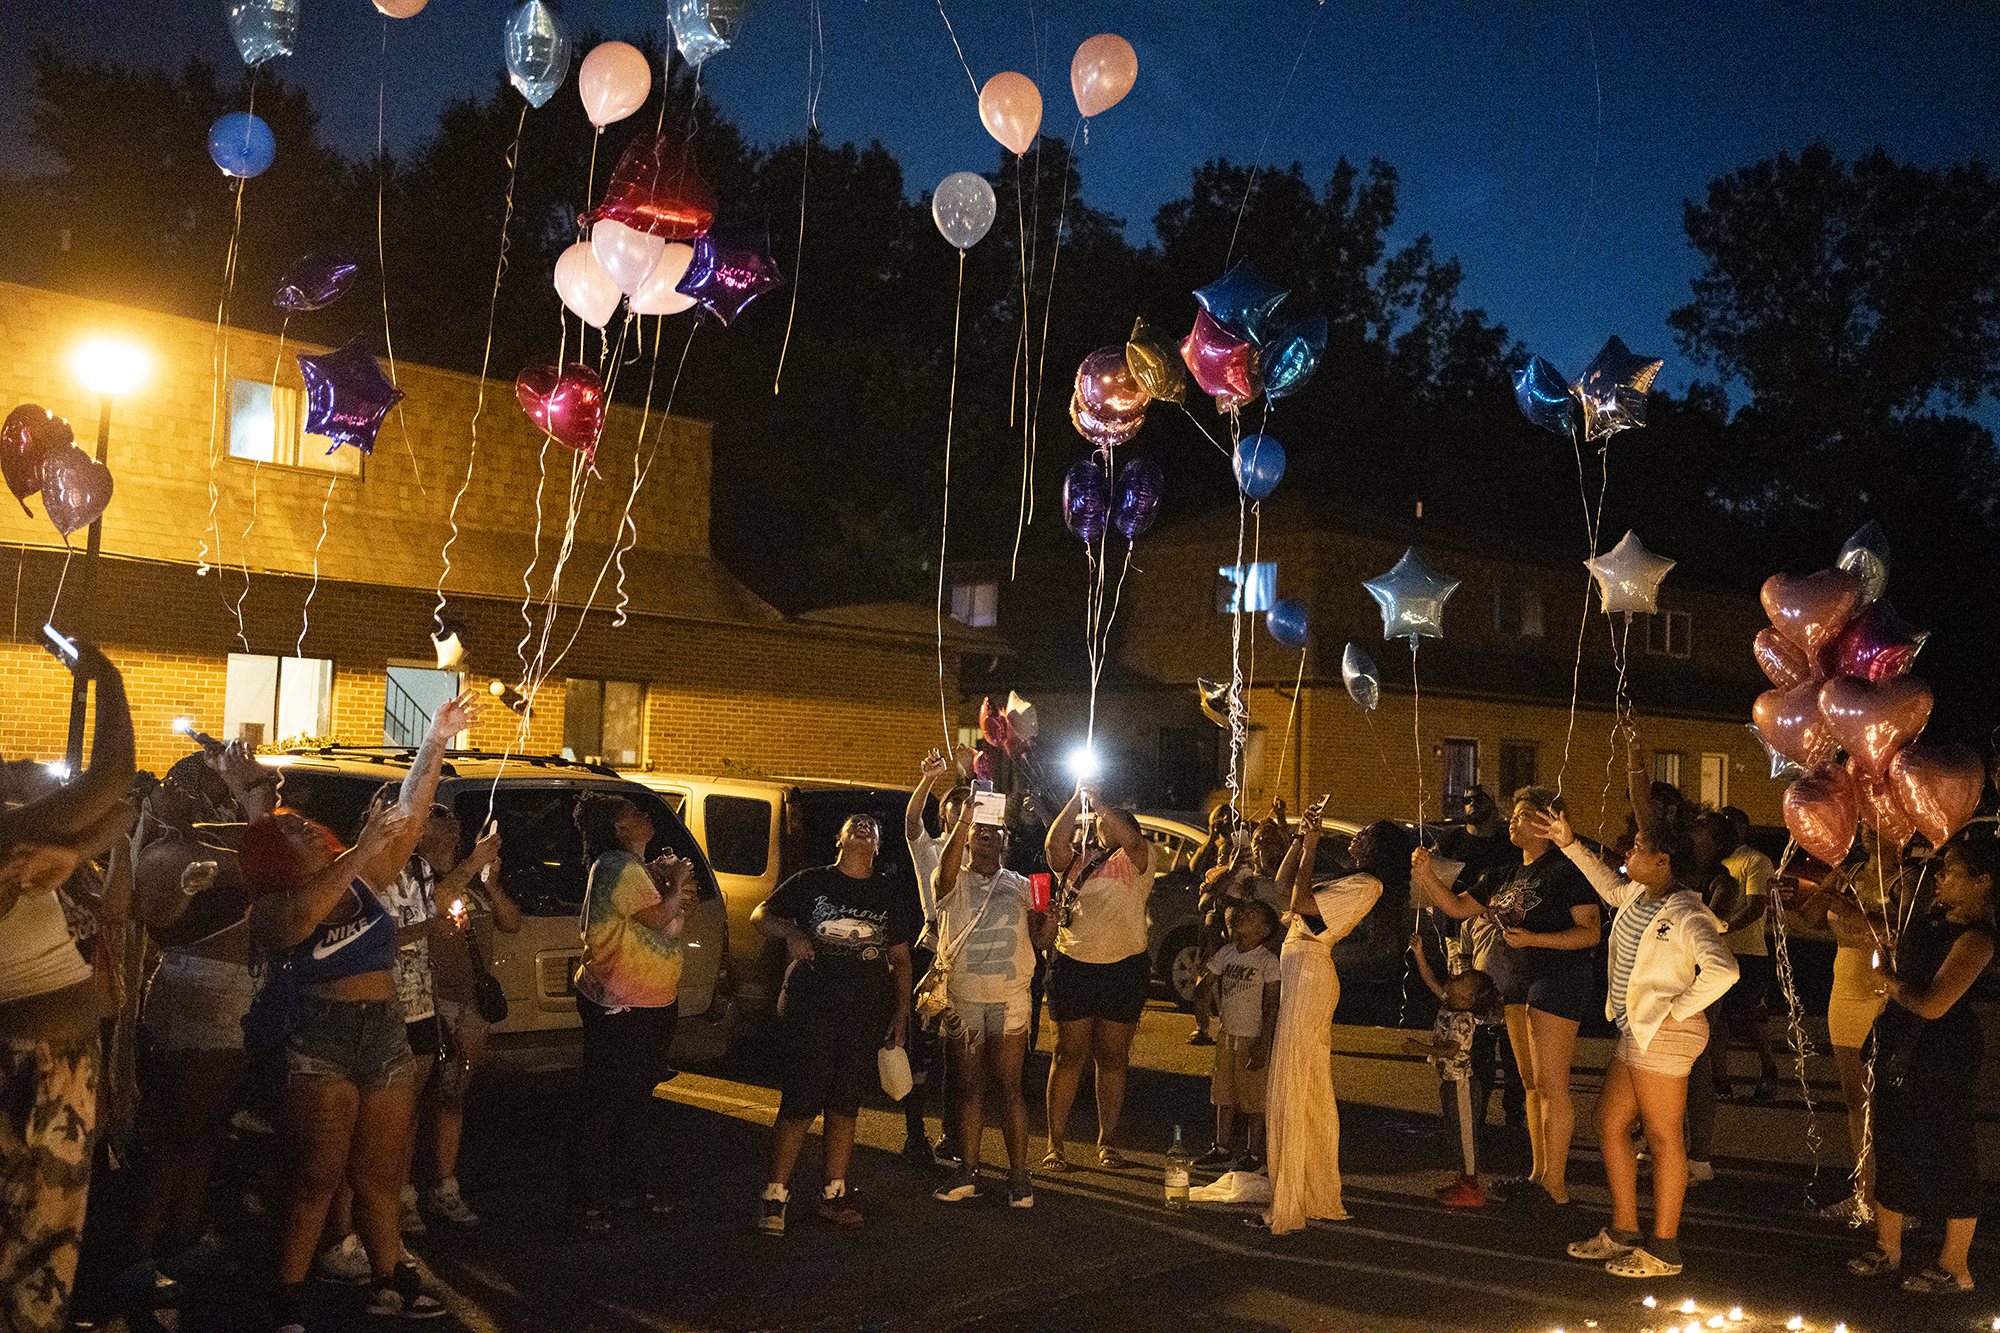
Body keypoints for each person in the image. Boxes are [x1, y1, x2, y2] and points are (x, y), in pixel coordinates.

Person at [240, 690, 476, 1329]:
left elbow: (410, 812)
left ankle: (388, 1276)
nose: (297, 822)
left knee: (378, 1173)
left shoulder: (365, 878)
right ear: (272, 857)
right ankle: (287, 1294)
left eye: (299, 819)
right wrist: (361, 851)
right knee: (318, 1176)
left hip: (386, 1034)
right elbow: (295, 926)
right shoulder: (274, 904)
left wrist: (435, 740)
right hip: (322, 1037)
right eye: (283, 827)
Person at [1535, 796, 1737, 1279]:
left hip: (1665, 1034)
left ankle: (1664, 1248)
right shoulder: (1639, 896)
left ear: (1664, 860)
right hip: (1639, 1030)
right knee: (1608, 1122)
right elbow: (1609, 887)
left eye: (1638, 847)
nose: (1627, 851)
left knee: (1665, 1140)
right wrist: (1570, 845)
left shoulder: (1687, 912)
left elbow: (1724, 969)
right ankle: (1625, 1230)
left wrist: (1678, 1010)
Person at [0, 640, 135, 1333]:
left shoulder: (17, 835)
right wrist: (102, 672)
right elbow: (111, 779)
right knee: (32, 1256)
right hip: (26, 1070)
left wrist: (73, 852)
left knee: (41, 1252)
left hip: (50, 1066)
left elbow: (116, 814)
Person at [121, 740, 277, 1296]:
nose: (220, 808)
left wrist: (255, 797)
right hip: (199, 999)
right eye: (208, 795)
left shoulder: (199, 845)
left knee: (205, 1134)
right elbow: (271, 863)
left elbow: (264, 846)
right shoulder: (170, 855)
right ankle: (136, 1255)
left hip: (225, 997)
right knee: (177, 1133)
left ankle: (183, 1241)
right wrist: (253, 801)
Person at [1412, 785, 1602, 1208]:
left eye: (1523, 815)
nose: (1513, 821)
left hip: (1558, 978)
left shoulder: (1566, 869)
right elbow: (1459, 907)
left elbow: (1590, 931)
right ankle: (1539, 1173)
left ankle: (1557, 1183)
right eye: (1513, 815)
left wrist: (1535, 937)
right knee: (1530, 1082)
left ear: (1547, 823)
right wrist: (1426, 875)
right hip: (1516, 980)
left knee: (1553, 1084)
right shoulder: (1506, 873)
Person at [1841, 825, 1997, 1295]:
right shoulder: (1932, 921)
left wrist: (1890, 984)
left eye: (1952, 873)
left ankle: (1956, 1266)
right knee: (1892, 1140)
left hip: (1942, 1052)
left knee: (1948, 1151)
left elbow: (1934, 1003)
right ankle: (1889, 1247)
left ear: (1983, 881)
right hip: (1903, 1043)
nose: (1940, 879)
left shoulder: (1978, 938)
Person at [753, 814, 915, 1234]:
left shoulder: (886, 893)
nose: (864, 827)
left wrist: (901, 1014)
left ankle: (833, 1194)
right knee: (801, 1100)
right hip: (812, 1005)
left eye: (872, 827)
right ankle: (775, 1195)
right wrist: (791, 931)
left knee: (845, 1104)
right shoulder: (812, 881)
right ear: (838, 839)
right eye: (853, 824)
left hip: (864, 1011)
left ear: (878, 845)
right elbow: (761, 915)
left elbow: (900, 960)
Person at [1254, 805, 1389, 1234]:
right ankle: (1297, 1187)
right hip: (1302, 969)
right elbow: (1281, 888)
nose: (1353, 837)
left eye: (1363, 833)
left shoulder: (1369, 884)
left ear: (1377, 848)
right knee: (1297, 1081)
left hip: (1311, 972)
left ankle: (1293, 1197)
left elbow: (1301, 903)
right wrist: (1299, 839)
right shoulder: (1349, 879)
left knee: (1297, 1082)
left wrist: (1312, 847)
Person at [569, 793, 686, 1231]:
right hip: (620, 1003)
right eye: (634, 813)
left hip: (648, 1000)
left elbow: (669, 920)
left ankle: (626, 1189)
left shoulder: (633, 868)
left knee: (634, 1100)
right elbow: (660, 919)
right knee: (605, 1101)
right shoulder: (618, 865)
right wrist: (674, 881)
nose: (644, 816)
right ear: (618, 828)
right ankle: (590, 1200)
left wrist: (671, 887)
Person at [930, 800, 1051, 1208]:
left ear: (1005, 840)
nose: (986, 833)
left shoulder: (1021, 883)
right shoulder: (951, 878)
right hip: (965, 1000)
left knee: (1011, 1088)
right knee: (969, 1088)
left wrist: (1054, 914)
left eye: (994, 828)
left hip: (1010, 998)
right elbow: (943, 878)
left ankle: (1020, 1175)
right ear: (965, 837)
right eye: (978, 828)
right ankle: (968, 1171)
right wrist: (964, 817)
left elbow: (1042, 939)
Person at [1039, 785, 1155, 1173]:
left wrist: (1103, 804)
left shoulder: (1140, 859)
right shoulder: (1076, 860)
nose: (1105, 827)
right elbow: (1054, 842)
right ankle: (1056, 1143)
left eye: (1114, 823)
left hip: (1123, 967)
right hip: (1073, 963)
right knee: (1067, 1055)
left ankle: (1108, 1141)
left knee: (1113, 1057)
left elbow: (1131, 839)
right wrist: (1076, 799)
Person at [1795, 825, 1905, 1225]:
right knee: (1854, 1097)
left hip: (1882, 986)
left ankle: (1894, 1198)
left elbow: (1895, 934)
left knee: (1885, 1098)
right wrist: (1798, 893)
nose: (1874, 834)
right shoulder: (1849, 871)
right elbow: (1810, 917)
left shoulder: (1909, 880)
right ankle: (1864, 1192)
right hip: (1844, 983)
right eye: (1868, 826)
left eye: (1885, 826)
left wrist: (1847, 908)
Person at [418, 812, 513, 1228]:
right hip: (431, 997)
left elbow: (511, 922)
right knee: (411, 1100)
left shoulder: (473, 879)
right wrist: (472, 864)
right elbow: (430, 904)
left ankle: (444, 1186)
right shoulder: (417, 874)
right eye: (437, 816)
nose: (452, 822)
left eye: (454, 817)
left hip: (472, 999)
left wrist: (490, 883)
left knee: (453, 1093)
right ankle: (400, 1191)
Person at [902, 747, 970, 1167]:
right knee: (921, 1051)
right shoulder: (931, 849)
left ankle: (953, 1135)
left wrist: (972, 771)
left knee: (961, 1054)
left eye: (970, 806)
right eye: (955, 807)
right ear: (944, 816)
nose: (964, 812)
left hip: (971, 955)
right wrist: (930, 780)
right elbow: (911, 823)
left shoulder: (986, 850)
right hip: (933, 954)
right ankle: (914, 1135)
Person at [1407, 941, 1500, 1207]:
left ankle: (1472, 1187)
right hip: (1450, 1081)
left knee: (1466, 1135)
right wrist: (1419, 953)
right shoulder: (1451, 1004)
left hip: (1462, 1084)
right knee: (1456, 1131)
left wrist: (1420, 1047)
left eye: (1463, 980)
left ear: (1470, 998)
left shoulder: (1463, 1019)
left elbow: (1450, 1050)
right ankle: (1463, 1179)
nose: (1455, 979)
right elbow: (1429, 980)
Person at [1193, 899, 1280, 1173]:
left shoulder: (1267, 961)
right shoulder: (1227, 953)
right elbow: (1206, 982)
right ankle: (1222, 1146)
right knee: (1224, 1094)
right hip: (1227, 1034)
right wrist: (1202, 984)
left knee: (1254, 1098)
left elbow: (1271, 1005)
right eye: (1242, 914)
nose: (1242, 917)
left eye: (1251, 916)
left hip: (1251, 1037)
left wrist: (1263, 1042)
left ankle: (1254, 1152)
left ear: (1264, 930)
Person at [1706, 806, 1779, 1102]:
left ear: (1742, 829)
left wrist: (1719, 929)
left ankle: (1769, 1069)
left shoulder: (1755, 861)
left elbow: (1754, 907)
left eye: (1730, 825)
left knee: (1751, 1019)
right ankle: (1721, 1081)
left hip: (1748, 953)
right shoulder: (1713, 862)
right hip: (1715, 954)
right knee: (1717, 1019)